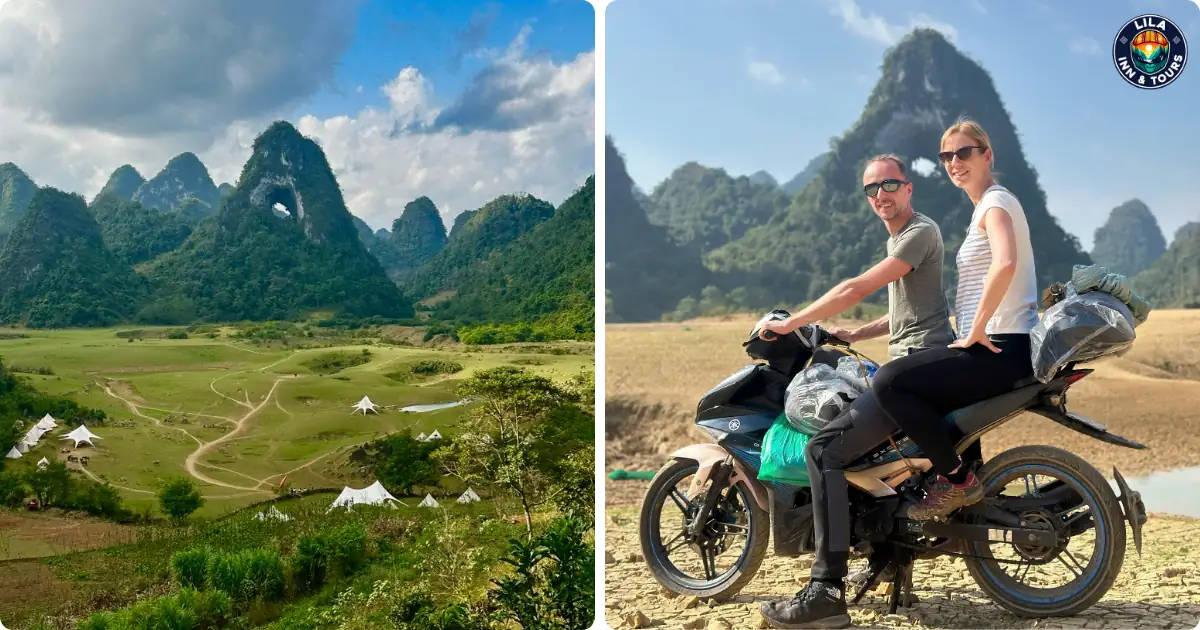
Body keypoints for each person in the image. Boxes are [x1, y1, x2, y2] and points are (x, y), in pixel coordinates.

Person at [756, 154, 955, 629]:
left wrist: (791, 322)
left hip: (916, 369)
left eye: (889, 184)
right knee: (864, 450)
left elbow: (855, 288)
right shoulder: (905, 239)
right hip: (917, 361)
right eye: (871, 189)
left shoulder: (918, 232)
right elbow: (909, 314)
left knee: (825, 449)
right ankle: (887, 554)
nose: (880, 195)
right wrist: (853, 334)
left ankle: (826, 589)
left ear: (908, 187)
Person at [867, 116, 1040, 523]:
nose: (954, 162)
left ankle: (957, 480)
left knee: (888, 383)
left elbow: (1006, 263)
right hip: (997, 343)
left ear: (987, 155)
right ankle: (961, 506)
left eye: (963, 153)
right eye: (946, 156)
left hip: (1000, 344)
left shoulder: (995, 203)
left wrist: (976, 328)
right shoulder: (985, 207)